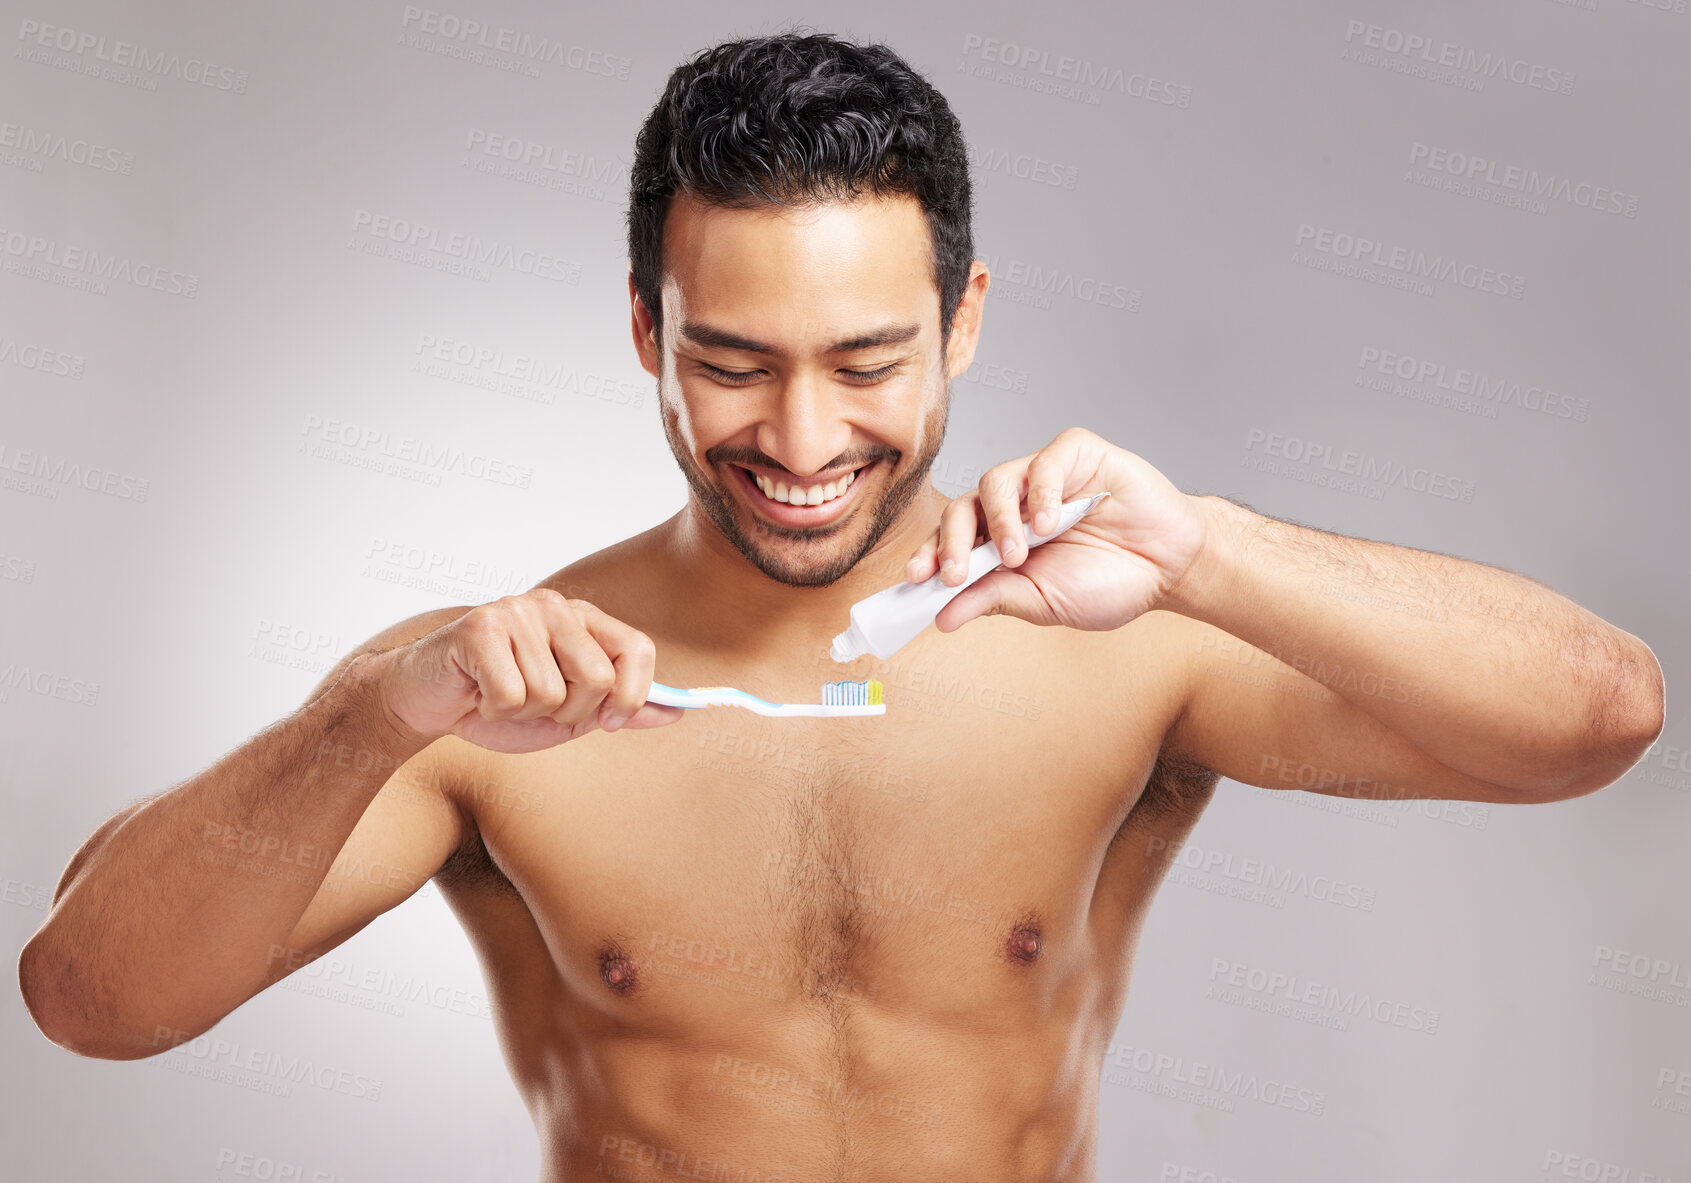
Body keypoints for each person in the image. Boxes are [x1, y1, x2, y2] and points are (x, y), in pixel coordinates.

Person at [18, 31, 1664, 1183]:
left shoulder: (1127, 638)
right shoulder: (485, 696)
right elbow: (89, 1003)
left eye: (866, 362)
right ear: (650, 337)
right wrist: (366, 713)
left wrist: (1213, 550)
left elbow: (1600, 719)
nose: (801, 444)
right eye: (732, 363)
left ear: (962, 325)